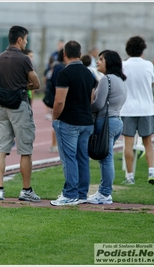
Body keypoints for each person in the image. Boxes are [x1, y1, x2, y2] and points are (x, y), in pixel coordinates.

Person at [0, 25, 41, 202]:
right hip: (19, 105)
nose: (26, 42)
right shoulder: (24, 59)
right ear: (20, 40)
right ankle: (26, 190)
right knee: (25, 150)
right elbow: (36, 83)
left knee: (1, 149)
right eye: (26, 39)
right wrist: (24, 85)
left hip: (1, 105)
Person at [50, 40, 97, 206]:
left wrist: (55, 117)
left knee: (69, 158)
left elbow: (59, 101)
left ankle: (70, 194)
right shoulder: (89, 73)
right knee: (82, 158)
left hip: (69, 121)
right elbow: (91, 99)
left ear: (64, 54)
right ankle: (82, 193)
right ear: (80, 52)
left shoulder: (65, 73)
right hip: (86, 121)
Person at [120, 36, 154, 185]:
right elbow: (151, 81)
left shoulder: (123, 65)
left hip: (128, 109)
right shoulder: (148, 65)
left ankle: (130, 177)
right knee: (148, 143)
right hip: (146, 108)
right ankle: (151, 172)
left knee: (128, 144)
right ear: (143, 49)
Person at [87, 50, 127, 204]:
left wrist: (87, 105)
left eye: (101, 59)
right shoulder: (120, 79)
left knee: (106, 158)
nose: (97, 62)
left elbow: (98, 104)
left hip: (105, 122)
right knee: (106, 157)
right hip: (116, 120)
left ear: (109, 62)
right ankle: (104, 192)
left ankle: (105, 193)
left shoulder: (106, 79)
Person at [48, 48, 65, 153]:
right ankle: (54, 144)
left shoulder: (56, 67)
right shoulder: (60, 67)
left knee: (58, 121)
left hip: (57, 95)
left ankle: (55, 144)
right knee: (57, 120)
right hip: (59, 96)